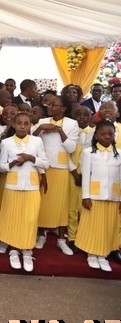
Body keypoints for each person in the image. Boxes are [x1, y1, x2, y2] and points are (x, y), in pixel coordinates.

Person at [0, 112, 49, 272]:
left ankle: (27, 249)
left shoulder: (37, 141)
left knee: (29, 218)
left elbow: (46, 163)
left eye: (26, 124)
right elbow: (1, 166)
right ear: (13, 124)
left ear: (30, 126)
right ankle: (13, 249)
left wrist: (31, 158)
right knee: (13, 217)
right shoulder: (6, 143)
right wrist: (12, 163)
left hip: (32, 187)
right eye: (19, 123)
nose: (22, 126)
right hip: (13, 187)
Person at [33, 95, 78, 255]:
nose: (49, 107)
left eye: (54, 104)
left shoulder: (72, 124)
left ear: (64, 108)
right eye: (48, 104)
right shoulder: (41, 122)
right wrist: (40, 128)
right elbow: (31, 140)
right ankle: (41, 235)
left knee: (61, 206)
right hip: (44, 168)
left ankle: (61, 240)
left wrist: (59, 130)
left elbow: (71, 148)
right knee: (43, 205)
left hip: (61, 169)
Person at [76, 120, 121, 272]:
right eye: (103, 134)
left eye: (110, 134)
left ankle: (103, 255)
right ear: (96, 136)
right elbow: (86, 176)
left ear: (114, 136)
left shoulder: (119, 154)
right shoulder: (89, 153)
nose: (106, 137)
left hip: (113, 196)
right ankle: (92, 253)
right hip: (94, 196)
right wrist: (85, 196)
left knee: (108, 226)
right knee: (94, 226)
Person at [67, 106, 93, 250]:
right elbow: (67, 156)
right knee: (72, 207)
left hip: (89, 176)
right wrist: (75, 173)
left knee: (87, 207)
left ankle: (86, 236)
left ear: (91, 117)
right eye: (78, 114)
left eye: (85, 114)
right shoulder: (70, 134)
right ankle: (72, 237)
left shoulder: (95, 133)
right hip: (73, 175)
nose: (82, 117)